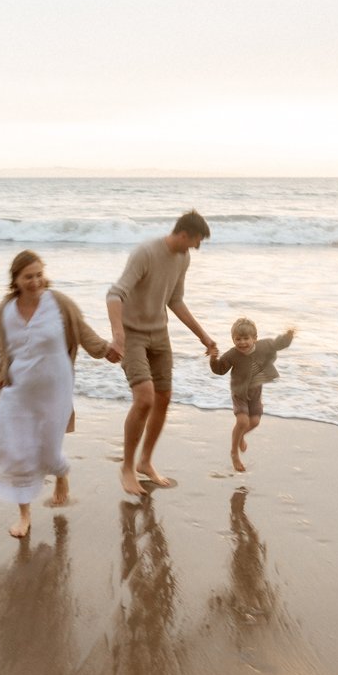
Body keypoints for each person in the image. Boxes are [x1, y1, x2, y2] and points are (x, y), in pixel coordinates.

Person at [0, 250, 119, 538]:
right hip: (18, 389)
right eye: (28, 277)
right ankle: (24, 515)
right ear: (16, 280)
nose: (36, 281)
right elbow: (4, 347)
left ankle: (61, 473)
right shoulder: (6, 310)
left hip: (54, 388)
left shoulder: (59, 304)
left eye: (39, 274)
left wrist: (105, 350)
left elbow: (83, 332)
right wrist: (0, 373)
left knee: (48, 450)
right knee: (16, 449)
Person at [106, 210, 216, 496]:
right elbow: (114, 294)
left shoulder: (183, 258)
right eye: (196, 240)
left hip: (160, 335)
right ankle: (127, 468)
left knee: (163, 398)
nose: (197, 246)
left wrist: (203, 336)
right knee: (144, 398)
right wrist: (118, 334)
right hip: (133, 335)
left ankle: (145, 462)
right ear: (184, 235)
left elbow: (175, 300)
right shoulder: (146, 253)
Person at [209, 317, 295, 473]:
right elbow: (220, 370)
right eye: (238, 339)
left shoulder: (264, 346)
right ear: (233, 339)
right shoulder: (232, 354)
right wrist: (213, 359)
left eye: (246, 338)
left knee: (254, 421)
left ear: (255, 338)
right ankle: (234, 452)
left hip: (256, 392)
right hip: (239, 393)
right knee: (242, 421)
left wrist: (288, 336)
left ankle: (240, 436)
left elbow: (278, 344)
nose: (242, 342)